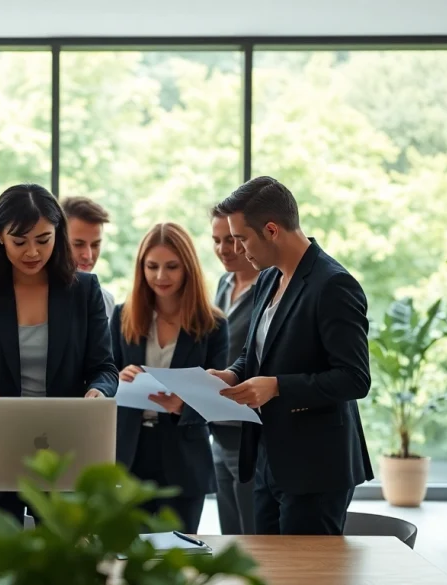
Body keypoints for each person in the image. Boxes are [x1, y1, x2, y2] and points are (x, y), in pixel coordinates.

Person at [0, 184, 118, 525]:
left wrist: (100, 391)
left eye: (44, 239)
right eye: (19, 241)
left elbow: (104, 368)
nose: (33, 252)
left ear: (59, 233)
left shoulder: (84, 291)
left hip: (66, 449)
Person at [210, 176, 373, 536]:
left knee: (306, 575)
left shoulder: (333, 285)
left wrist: (278, 387)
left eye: (242, 238)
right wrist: (233, 375)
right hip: (270, 458)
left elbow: (355, 378)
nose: (236, 248)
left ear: (271, 230)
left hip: (317, 467)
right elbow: (257, 355)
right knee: (268, 569)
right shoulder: (268, 279)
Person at [111, 223, 228, 534]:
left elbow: (221, 393)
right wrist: (118, 377)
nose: (161, 277)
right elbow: (102, 376)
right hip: (129, 455)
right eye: (152, 266)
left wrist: (182, 405)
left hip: (184, 457)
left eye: (171, 267)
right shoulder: (123, 316)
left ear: (187, 268)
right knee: (127, 559)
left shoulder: (212, 325)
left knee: (180, 558)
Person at [208, 205, 260, 535]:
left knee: (253, 529)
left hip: (248, 429)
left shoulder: (269, 287)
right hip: (218, 425)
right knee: (228, 528)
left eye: (231, 240)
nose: (224, 249)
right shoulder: (223, 284)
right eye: (216, 240)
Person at [60, 196, 115, 317]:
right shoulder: (39, 296)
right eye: (78, 244)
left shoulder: (107, 301)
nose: (88, 255)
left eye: (95, 245)